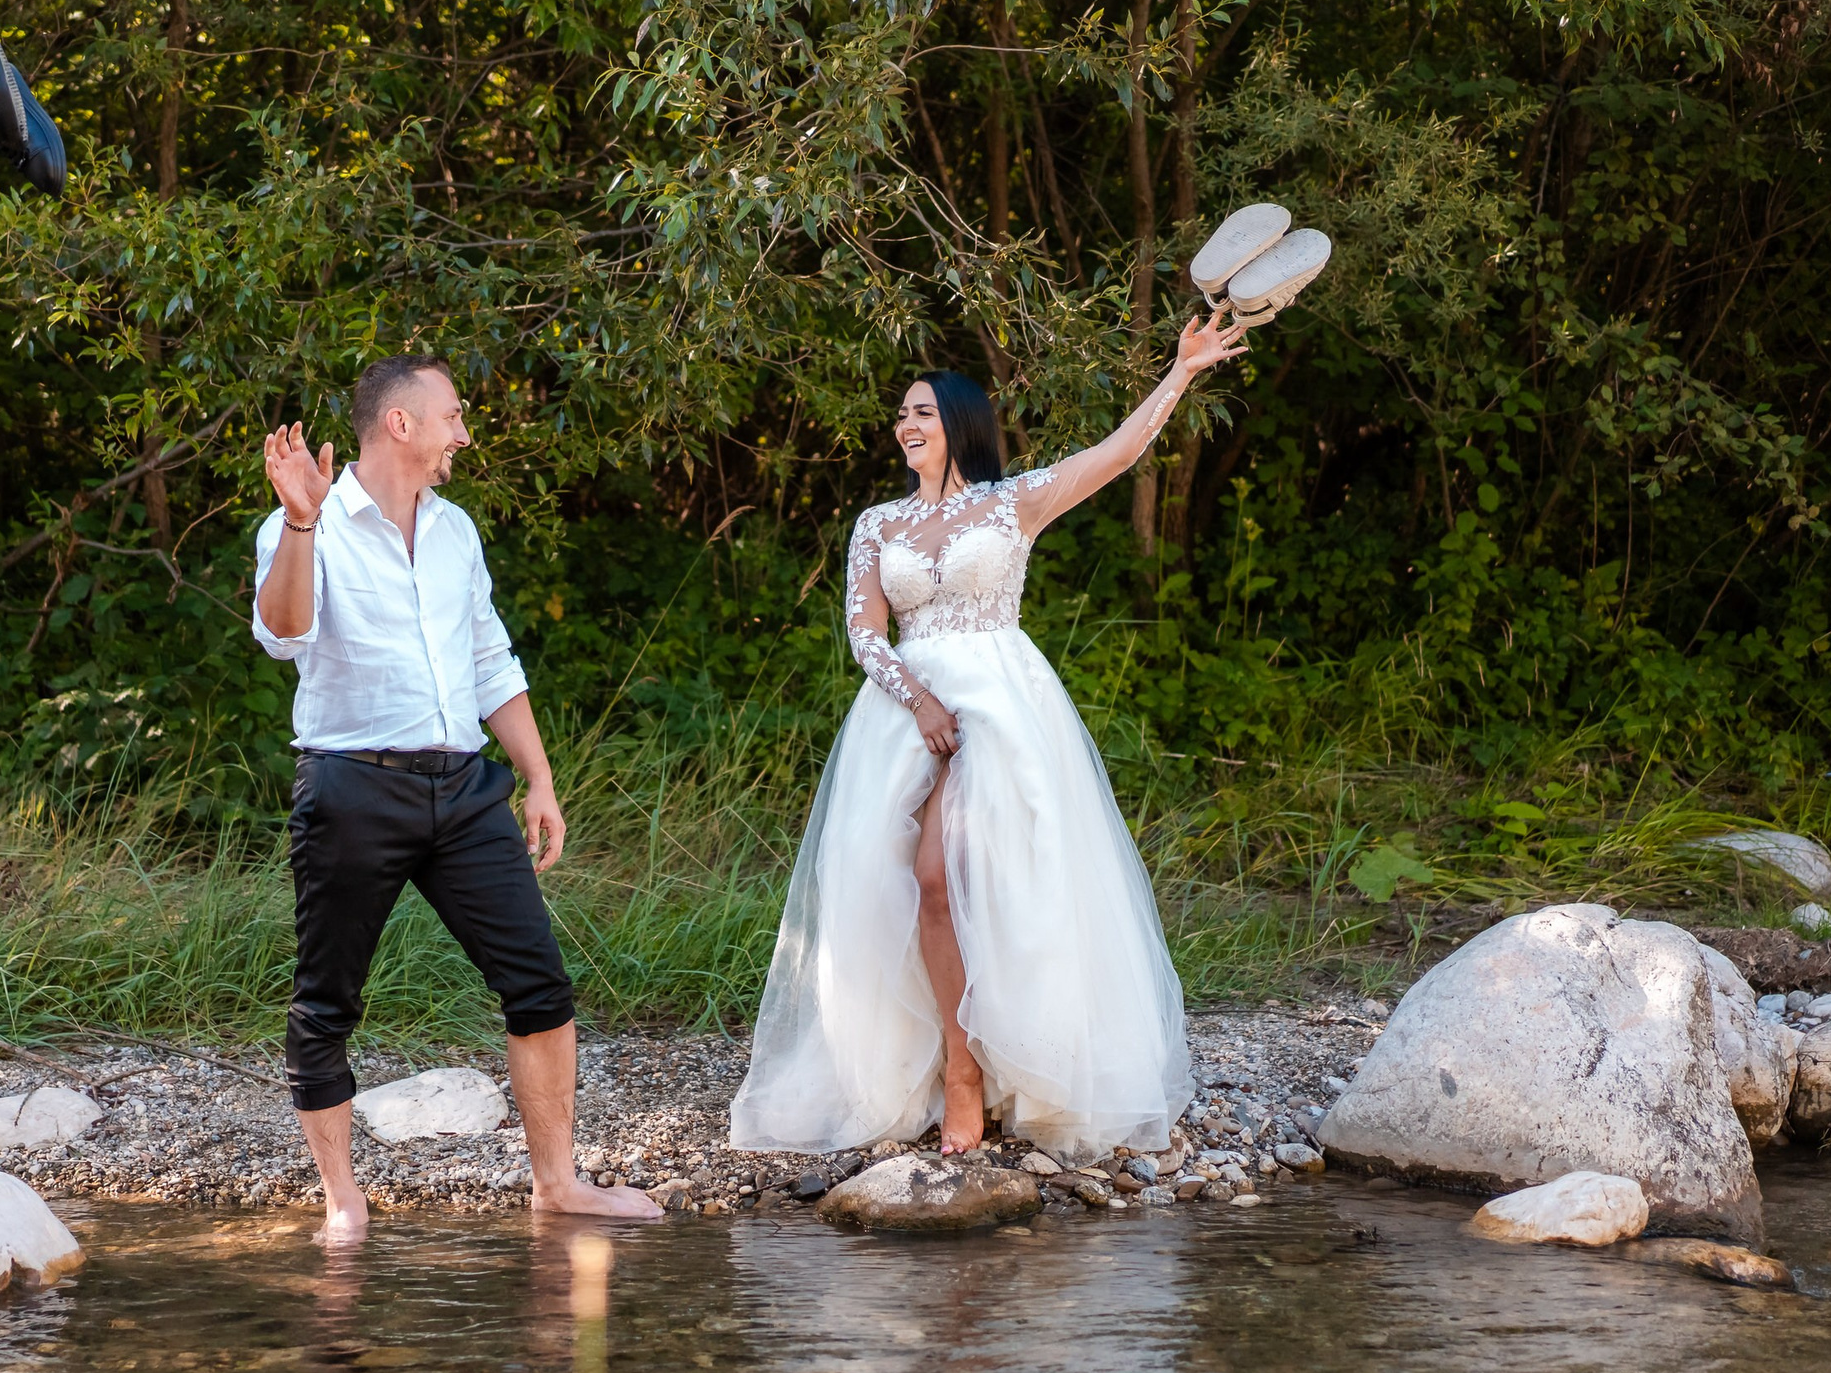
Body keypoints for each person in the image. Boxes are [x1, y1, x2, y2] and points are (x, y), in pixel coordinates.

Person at [729, 309, 1249, 1162]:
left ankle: (980, 1073)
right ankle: (947, 1066)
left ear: (960, 423)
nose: (905, 424)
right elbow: (866, 634)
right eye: (901, 413)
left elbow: (1117, 453)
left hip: (1001, 709)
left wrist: (1182, 372)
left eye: (922, 412)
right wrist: (919, 698)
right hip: (907, 713)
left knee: (963, 874)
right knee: (909, 887)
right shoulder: (876, 525)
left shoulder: (1015, 502)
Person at [254, 352, 663, 1241]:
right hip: (352, 787)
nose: (463, 434)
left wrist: (540, 776)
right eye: (453, 416)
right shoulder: (307, 524)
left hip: (466, 789)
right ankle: (342, 1199)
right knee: (327, 1001)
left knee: (541, 985)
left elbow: (489, 660)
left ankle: (556, 1183)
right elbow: (283, 635)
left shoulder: (456, 530)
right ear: (400, 423)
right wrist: (297, 524)